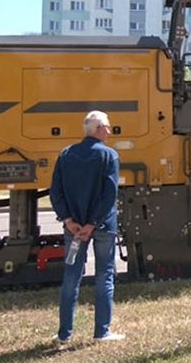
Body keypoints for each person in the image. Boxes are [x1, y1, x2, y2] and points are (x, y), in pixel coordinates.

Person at [49, 111, 124, 344]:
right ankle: (102, 331)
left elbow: (56, 191)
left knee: (71, 277)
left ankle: (64, 334)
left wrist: (68, 220)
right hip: (102, 226)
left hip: (73, 228)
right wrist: (93, 223)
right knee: (105, 276)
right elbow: (109, 194)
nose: (110, 131)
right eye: (108, 127)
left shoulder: (66, 154)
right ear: (98, 129)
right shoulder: (109, 156)